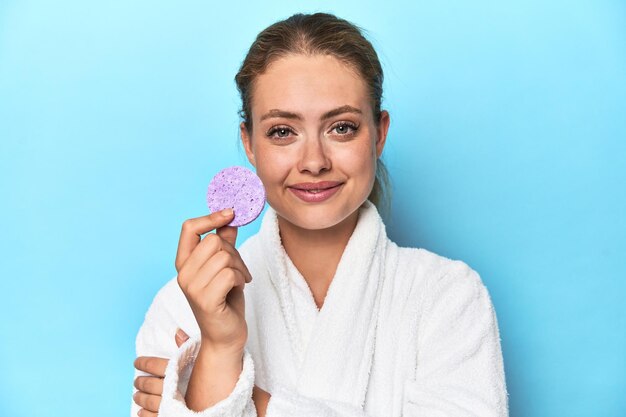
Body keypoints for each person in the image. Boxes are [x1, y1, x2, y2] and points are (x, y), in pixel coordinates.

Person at [131, 12, 509, 417]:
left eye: (341, 128)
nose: (313, 162)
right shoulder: (183, 306)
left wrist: (246, 400)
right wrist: (221, 347)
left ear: (379, 134)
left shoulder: (447, 297)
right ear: (249, 143)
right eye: (282, 131)